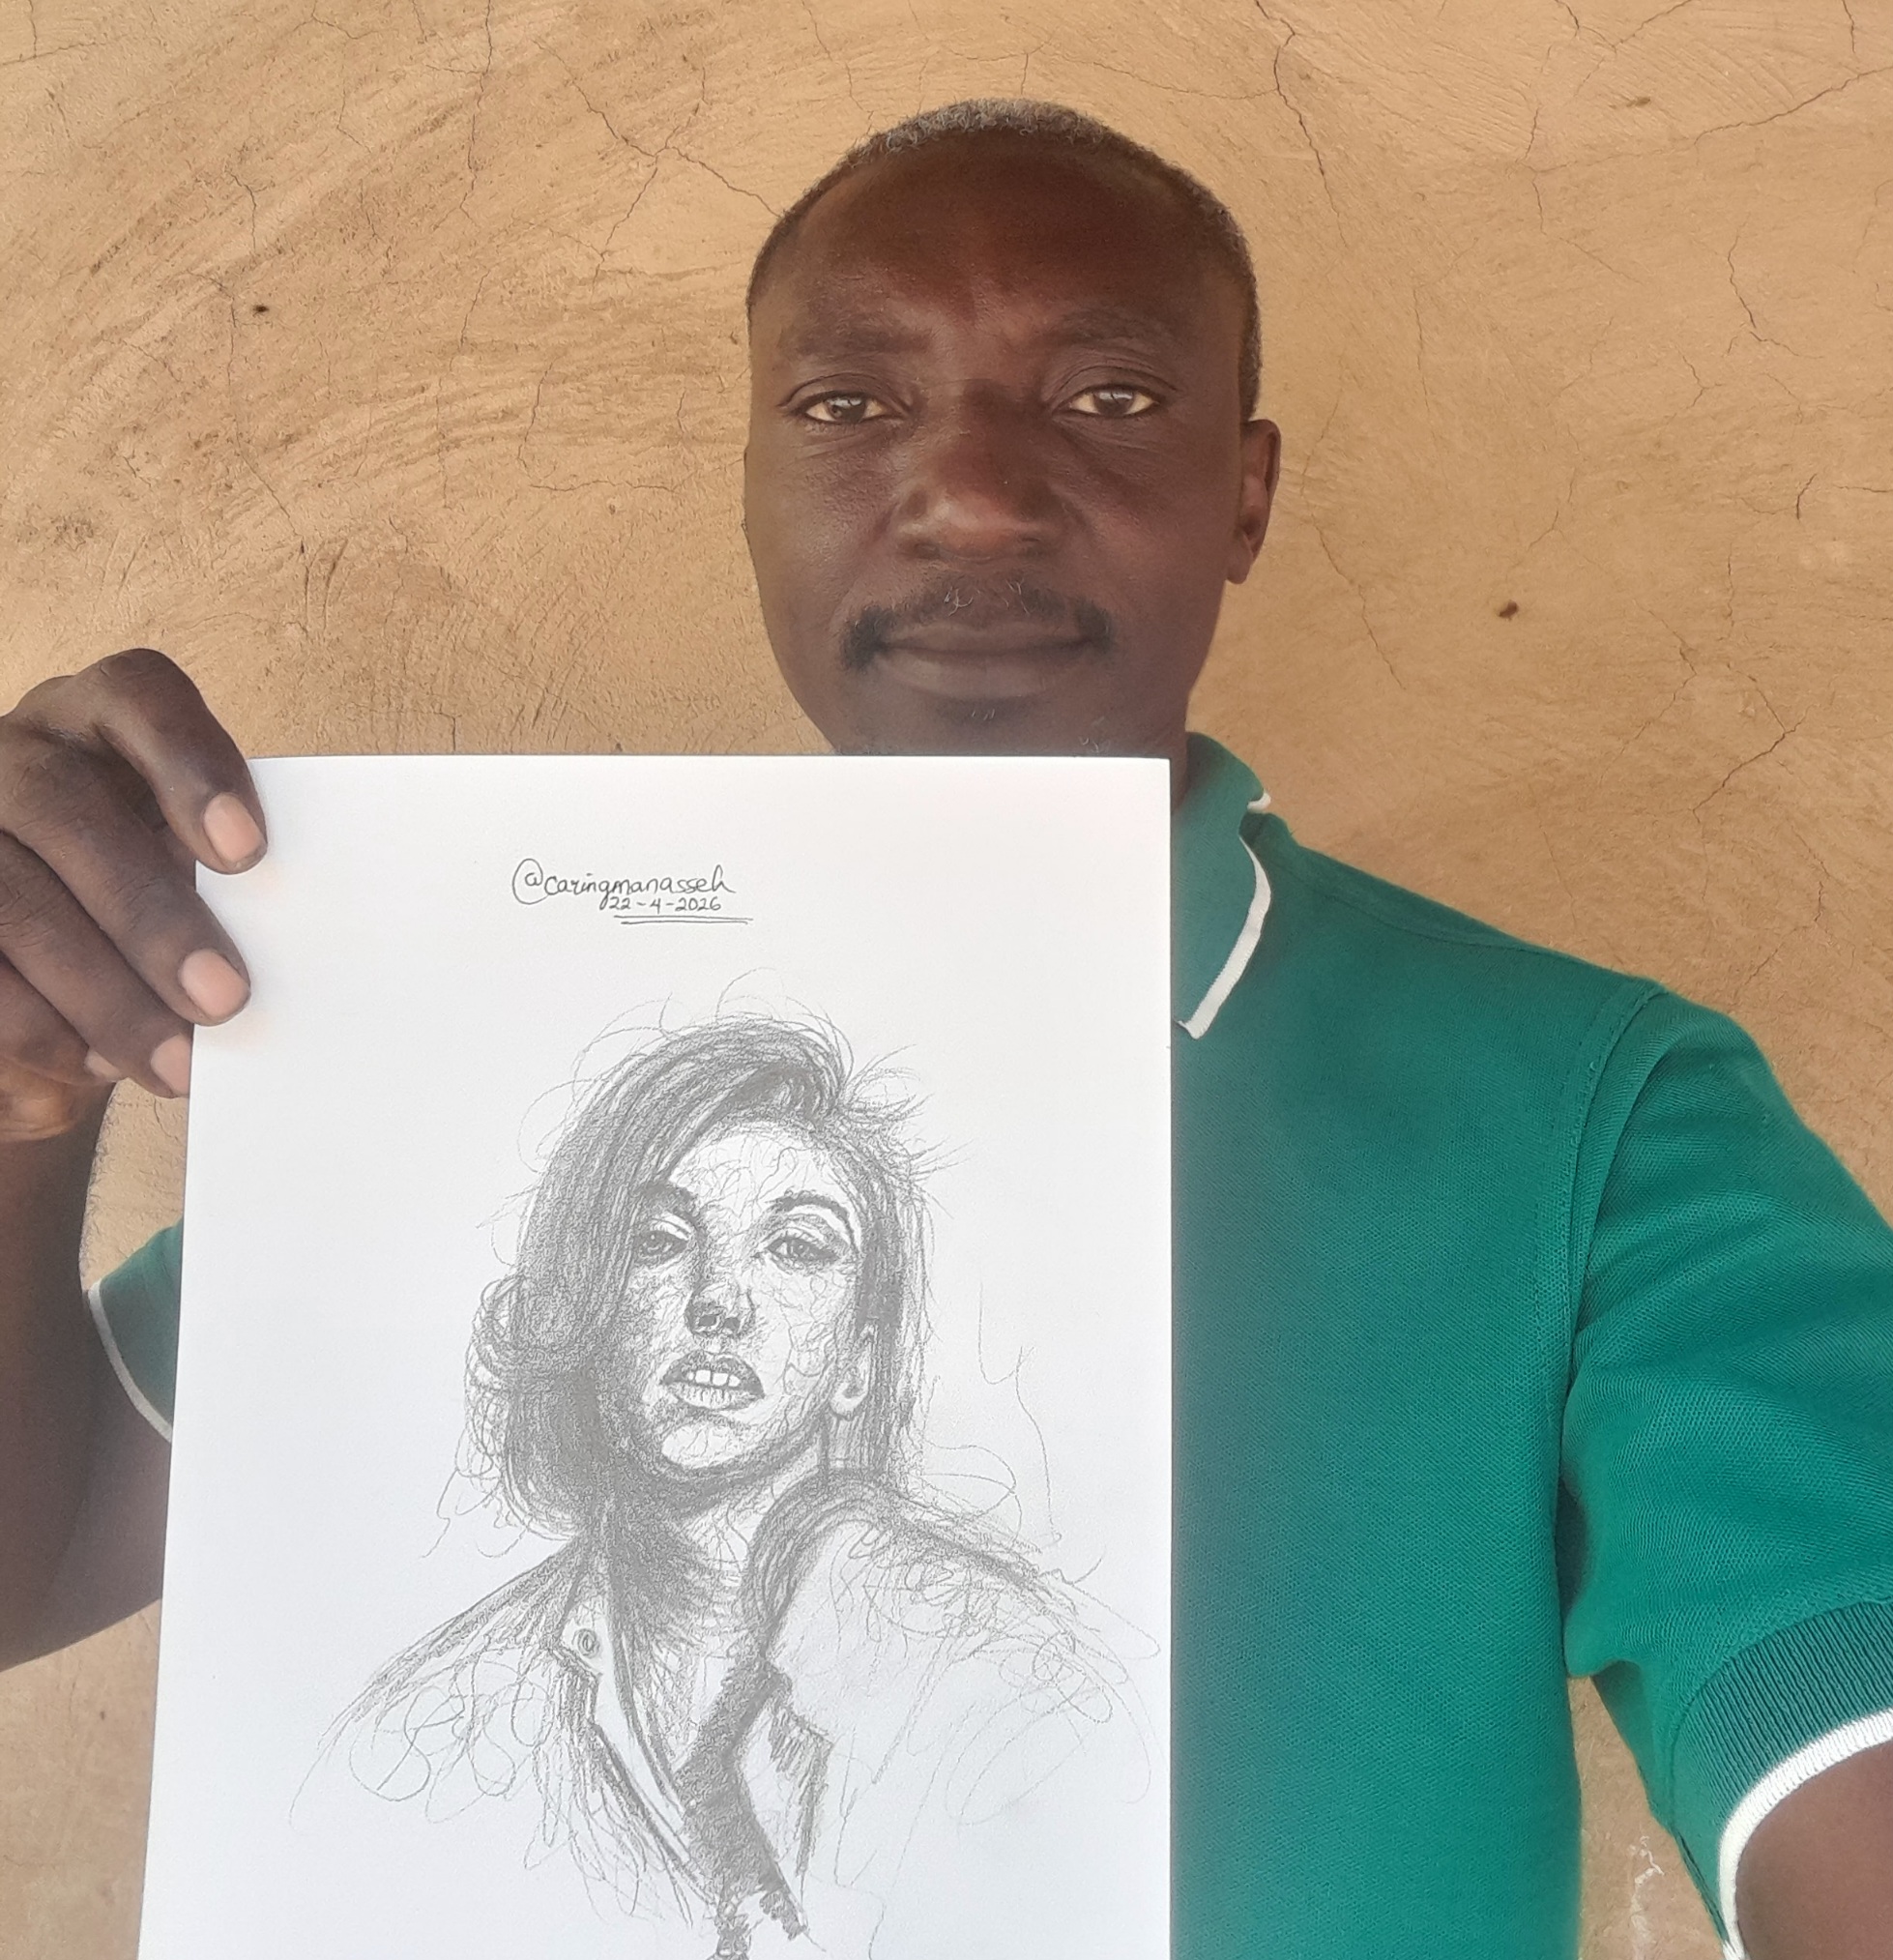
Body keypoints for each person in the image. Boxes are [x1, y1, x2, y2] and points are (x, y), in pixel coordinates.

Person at [0, 97, 1889, 1959]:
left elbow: (1834, 1729)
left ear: (1244, 494)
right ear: (749, 487)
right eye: (847, 404)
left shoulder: (1589, 1123)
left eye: (1108, 396)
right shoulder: (496, 1035)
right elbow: (41, 1546)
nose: (976, 492)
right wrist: (17, 1093)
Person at [320, 1013, 1130, 1960]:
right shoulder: (428, 1728)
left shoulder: (1013, 1687)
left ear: (858, 1364)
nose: (718, 1300)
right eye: (659, 1239)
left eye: (795, 1248)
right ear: (585, 1308)